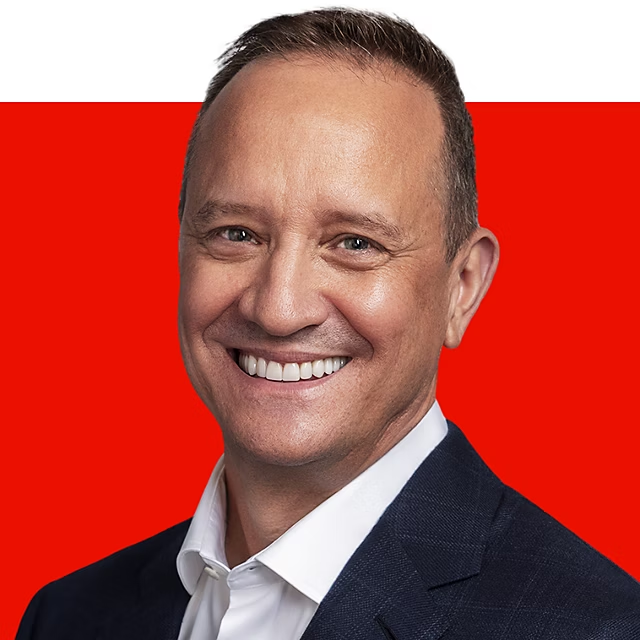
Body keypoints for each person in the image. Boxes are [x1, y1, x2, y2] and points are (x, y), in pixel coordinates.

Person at [16, 8, 640, 640]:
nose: (278, 308)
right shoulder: (65, 619)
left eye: (355, 243)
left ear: (462, 287)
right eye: (236, 234)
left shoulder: (601, 628)